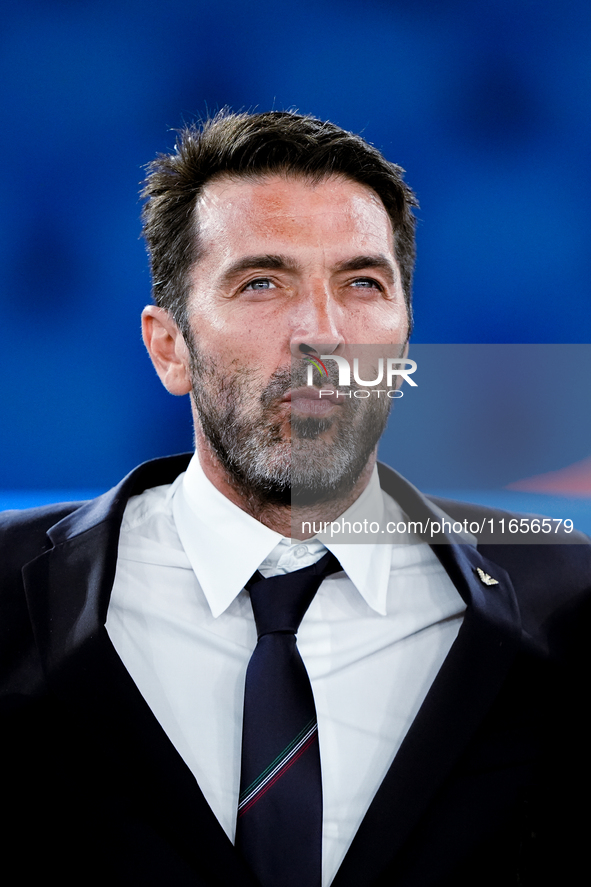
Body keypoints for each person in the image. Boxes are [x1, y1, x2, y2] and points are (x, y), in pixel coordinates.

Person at [1, 110, 590, 887]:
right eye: (261, 283)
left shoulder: (567, 597)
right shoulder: (8, 588)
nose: (322, 333)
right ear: (167, 346)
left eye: (361, 283)